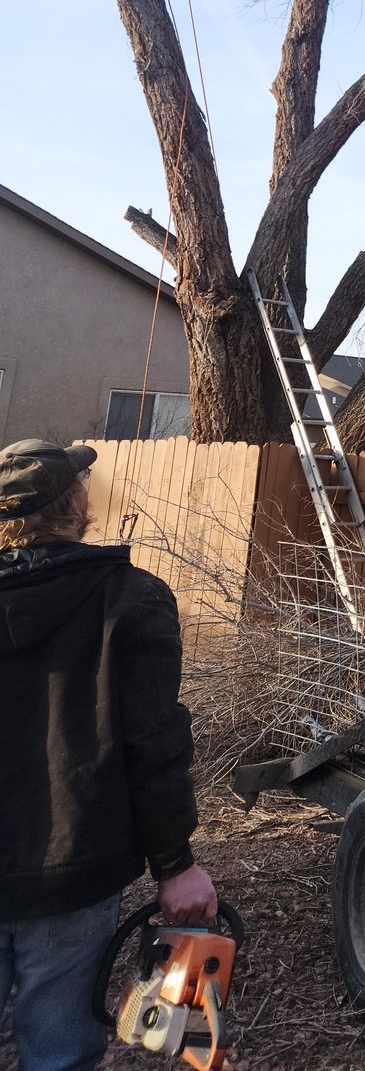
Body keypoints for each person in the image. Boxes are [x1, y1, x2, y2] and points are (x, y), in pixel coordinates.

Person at [0, 439, 216, 1071]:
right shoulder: (133, 599)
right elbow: (153, 746)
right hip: (74, 874)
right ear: (75, 503)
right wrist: (175, 864)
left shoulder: (130, 600)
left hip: (74, 873)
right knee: (60, 1056)